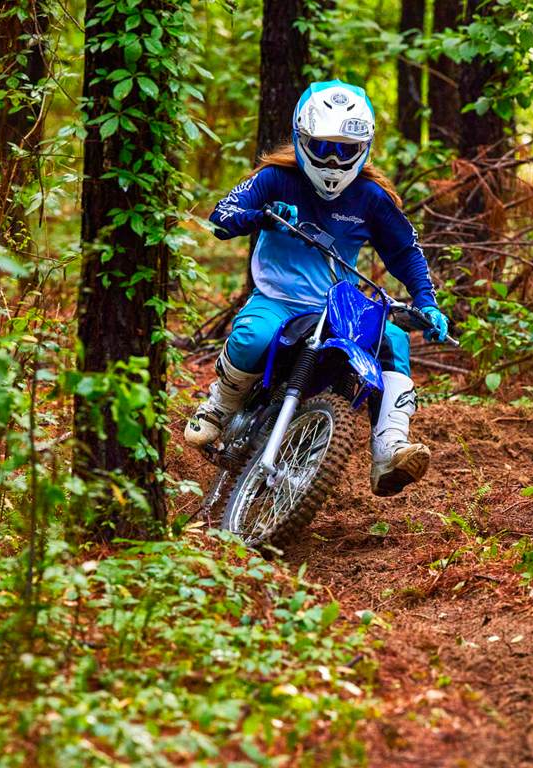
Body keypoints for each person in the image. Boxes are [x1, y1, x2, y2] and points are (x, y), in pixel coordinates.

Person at [185, 79, 449, 497]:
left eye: (345, 150)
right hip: (276, 297)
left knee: (395, 339)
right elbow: (221, 218)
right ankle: (220, 404)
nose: (333, 160)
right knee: (254, 336)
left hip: (339, 307)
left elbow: (405, 252)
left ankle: (389, 448)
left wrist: (427, 302)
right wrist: (262, 216)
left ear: (363, 148)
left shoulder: (371, 198)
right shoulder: (276, 178)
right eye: (323, 147)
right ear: (301, 139)